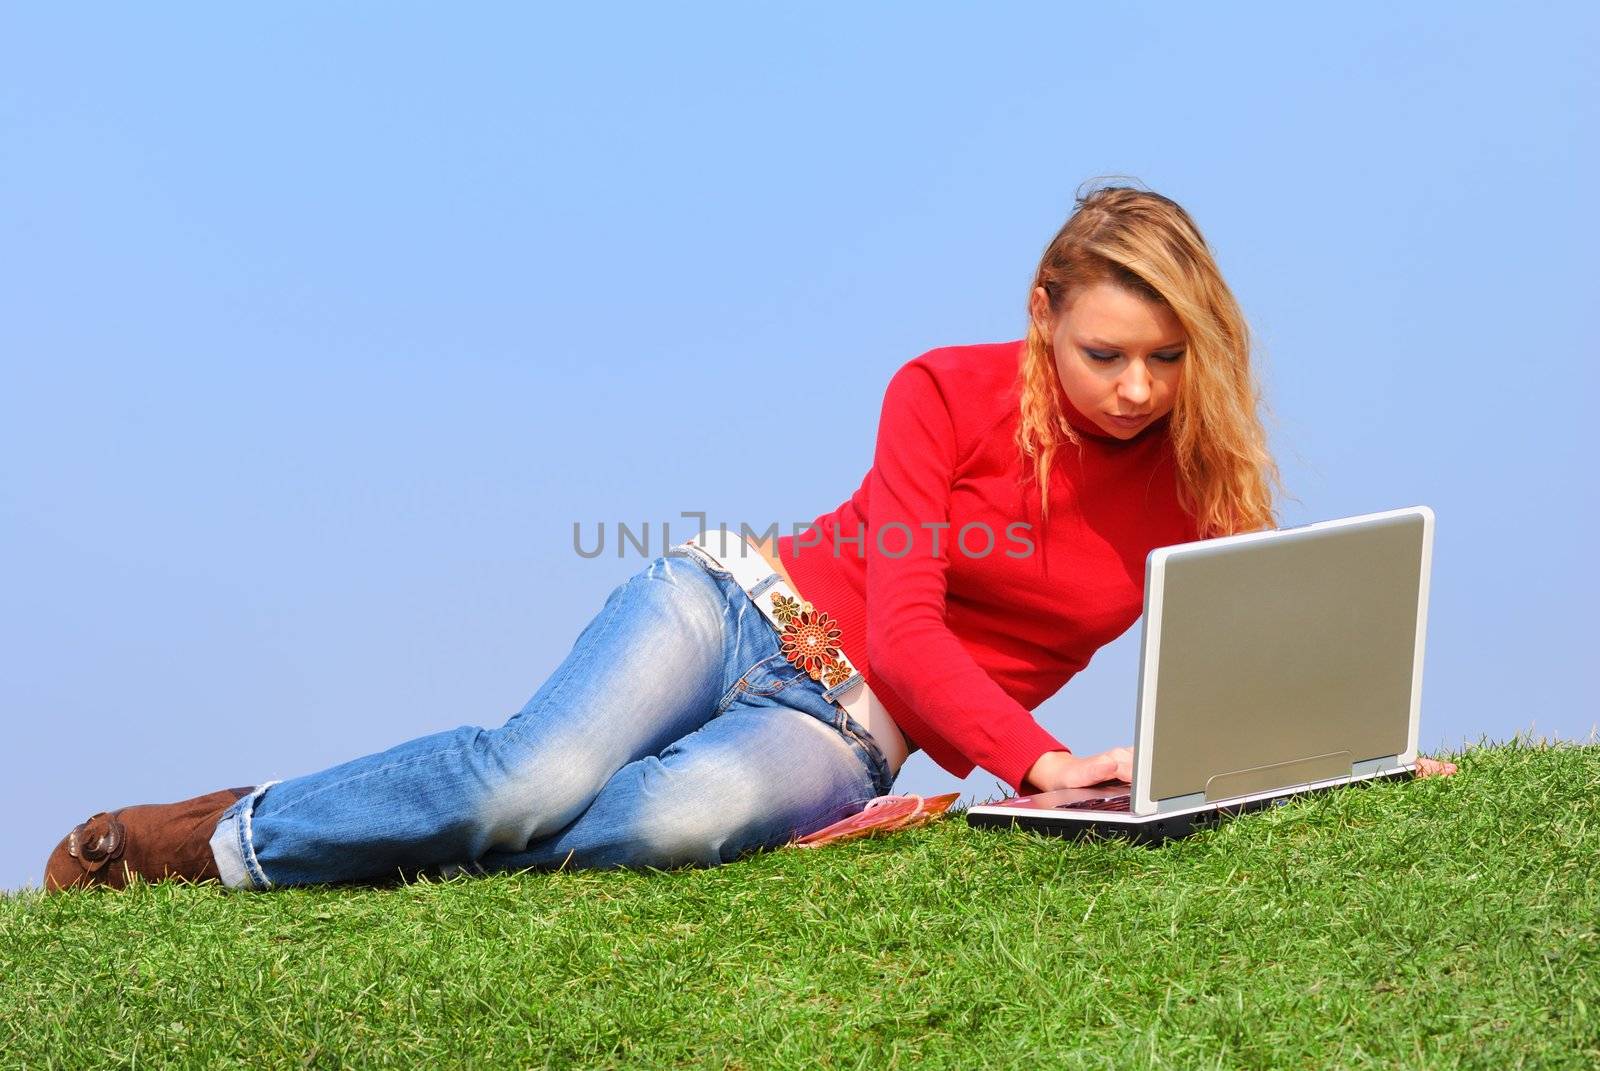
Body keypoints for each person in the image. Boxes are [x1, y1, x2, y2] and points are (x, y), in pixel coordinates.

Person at [42, 183, 1457, 893]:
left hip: (851, 730)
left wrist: (1360, 747)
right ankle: (219, 839)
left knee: (658, 823)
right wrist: (1033, 757)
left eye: (1164, 357)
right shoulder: (944, 389)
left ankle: (379, 843)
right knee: (529, 776)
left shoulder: (1200, 474)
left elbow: (1258, 637)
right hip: (741, 605)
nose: (1139, 390)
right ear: (1044, 317)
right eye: (1106, 354)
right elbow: (902, 624)